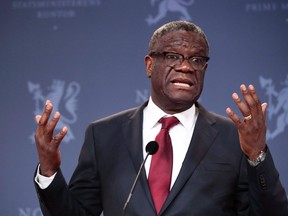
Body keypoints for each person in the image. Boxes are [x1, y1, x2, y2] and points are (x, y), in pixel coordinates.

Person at [34, 21, 288, 216]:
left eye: (196, 60)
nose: (186, 67)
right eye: (173, 56)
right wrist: (48, 171)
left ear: (204, 69)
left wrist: (257, 157)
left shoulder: (233, 137)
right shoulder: (103, 135)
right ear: (149, 65)